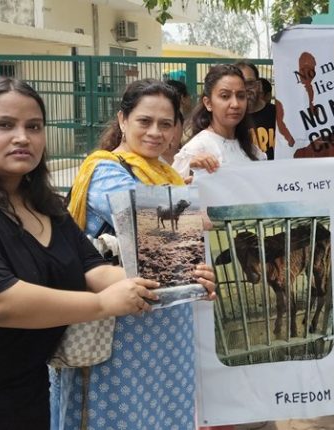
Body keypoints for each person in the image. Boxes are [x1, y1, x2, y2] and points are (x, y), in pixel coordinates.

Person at [0, 76, 177, 429]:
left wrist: (174, 279)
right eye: (4, 125)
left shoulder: (44, 204)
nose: (22, 137)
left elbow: (91, 267)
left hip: (29, 393)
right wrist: (102, 304)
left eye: (34, 126)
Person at [51, 78, 217, 430]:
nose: (155, 132)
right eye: (145, 121)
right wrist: (203, 216)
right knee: (119, 412)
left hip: (170, 321)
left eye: (166, 124)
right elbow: (143, 218)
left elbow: (180, 245)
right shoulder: (104, 171)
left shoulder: (168, 175)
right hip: (121, 323)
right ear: (123, 120)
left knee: (166, 407)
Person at [172, 64, 266, 179]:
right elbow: (173, 188)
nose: (235, 104)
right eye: (225, 96)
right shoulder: (195, 151)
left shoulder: (252, 150)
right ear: (208, 103)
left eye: (241, 96)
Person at [235, 61, 277, 160]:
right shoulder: (230, 120)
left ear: (258, 85)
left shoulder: (278, 115)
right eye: (240, 84)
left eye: (250, 83)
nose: (245, 89)